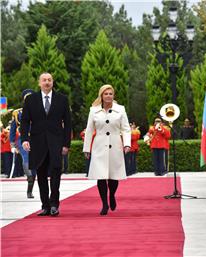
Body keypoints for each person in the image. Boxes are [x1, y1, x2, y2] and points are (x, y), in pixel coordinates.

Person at [21, 73, 71, 217]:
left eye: (49, 80)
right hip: (37, 143)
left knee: (56, 172)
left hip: (56, 142)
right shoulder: (31, 100)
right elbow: (25, 121)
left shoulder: (62, 99)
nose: (47, 82)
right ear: (39, 83)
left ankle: (54, 204)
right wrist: (24, 139)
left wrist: (66, 144)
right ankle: (45, 206)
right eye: (44, 80)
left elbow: (67, 123)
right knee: (41, 174)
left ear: (52, 82)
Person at [83, 84, 131, 215]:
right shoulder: (93, 110)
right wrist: (86, 148)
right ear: (101, 96)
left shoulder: (120, 109)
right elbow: (89, 130)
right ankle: (104, 203)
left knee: (113, 176)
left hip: (116, 145)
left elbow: (126, 128)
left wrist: (127, 144)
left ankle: (112, 195)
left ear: (113, 95)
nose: (108, 96)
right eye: (106, 94)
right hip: (99, 145)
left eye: (110, 94)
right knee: (101, 176)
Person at [10, 89, 37, 197]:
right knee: (26, 158)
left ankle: (29, 190)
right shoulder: (18, 113)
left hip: (36, 140)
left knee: (34, 167)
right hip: (23, 140)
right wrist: (12, 143)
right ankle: (29, 177)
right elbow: (13, 129)